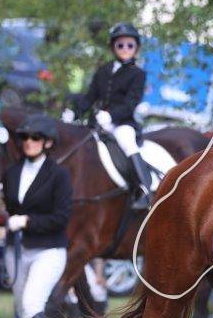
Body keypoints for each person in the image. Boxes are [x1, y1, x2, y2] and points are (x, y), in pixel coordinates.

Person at [2, 114, 72, 318]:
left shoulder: (59, 175)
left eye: (35, 138)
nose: (29, 142)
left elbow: (61, 218)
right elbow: (10, 209)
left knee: (33, 301)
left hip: (49, 249)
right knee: (22, 306)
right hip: (17, 249)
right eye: (24, 137)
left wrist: (27, 221)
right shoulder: (11, 173)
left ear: (47, 142)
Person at [64, 22, 153, 210]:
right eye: (120, 45)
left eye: (130, 45)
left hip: (122, 123)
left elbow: (131, 103)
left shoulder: (138, 74)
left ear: (136, 48)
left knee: (127, 141)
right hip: (98, 122)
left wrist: (111, 115)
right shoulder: (103, 70)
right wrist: (74, 112)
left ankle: (144, 189)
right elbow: (90, 97)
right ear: (113, 47)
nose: (125, 49)